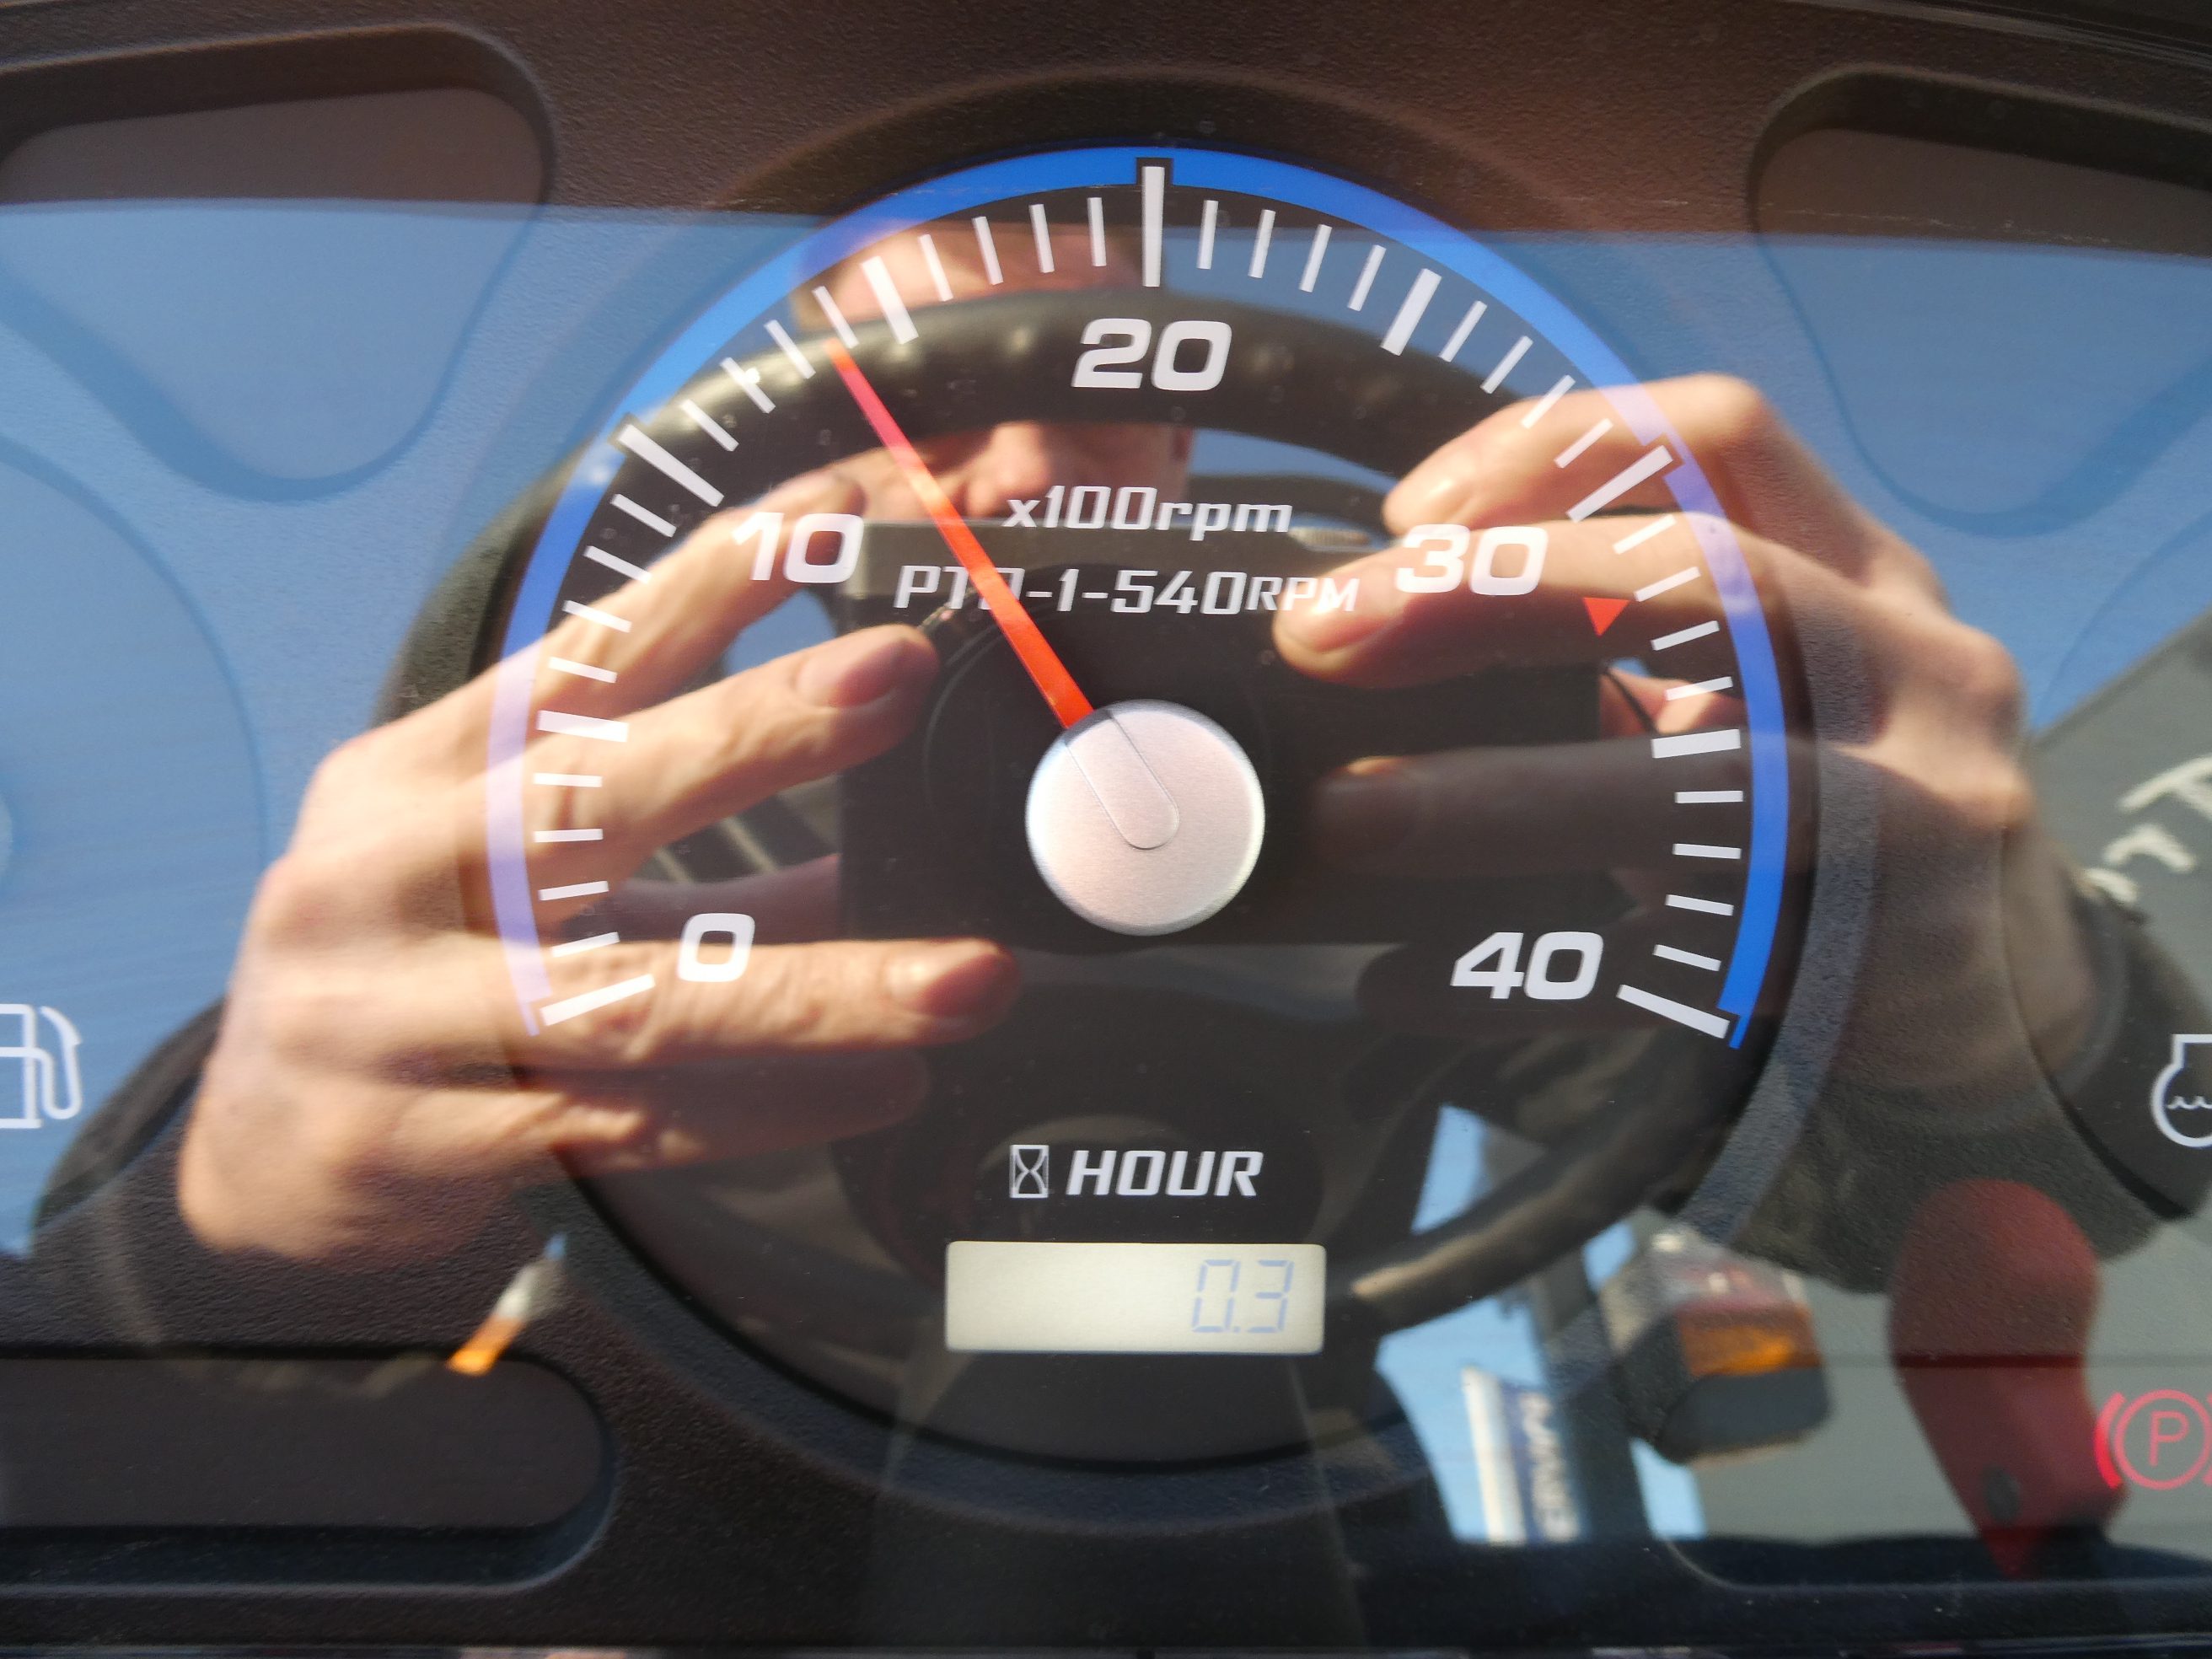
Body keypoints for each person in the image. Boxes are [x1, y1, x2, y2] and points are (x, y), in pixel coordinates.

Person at [38, 219, 2204, 1304]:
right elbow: (169, 1318)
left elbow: (1925, 1216)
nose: (1004, 480)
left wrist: (1983, 1005)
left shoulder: (1430, 778)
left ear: (1183, 417)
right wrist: (233, 1225)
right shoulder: (607, 808)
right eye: (911, 411)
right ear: (786, 468)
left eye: (1082, 389)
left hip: (1316, 1535)